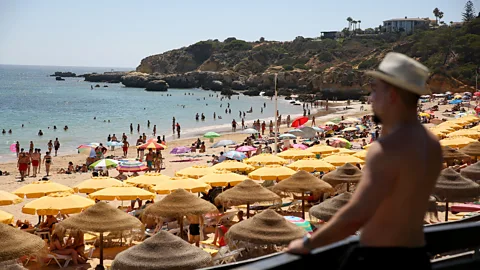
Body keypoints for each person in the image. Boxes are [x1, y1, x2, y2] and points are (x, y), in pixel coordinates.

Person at [287, 52, 442, 270]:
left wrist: (308, 243)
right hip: (417, 258)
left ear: (392, 94)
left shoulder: (387, 149)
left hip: (380, 262)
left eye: (375, 90)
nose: (370, 99)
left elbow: (357, 214)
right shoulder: (431, 143)